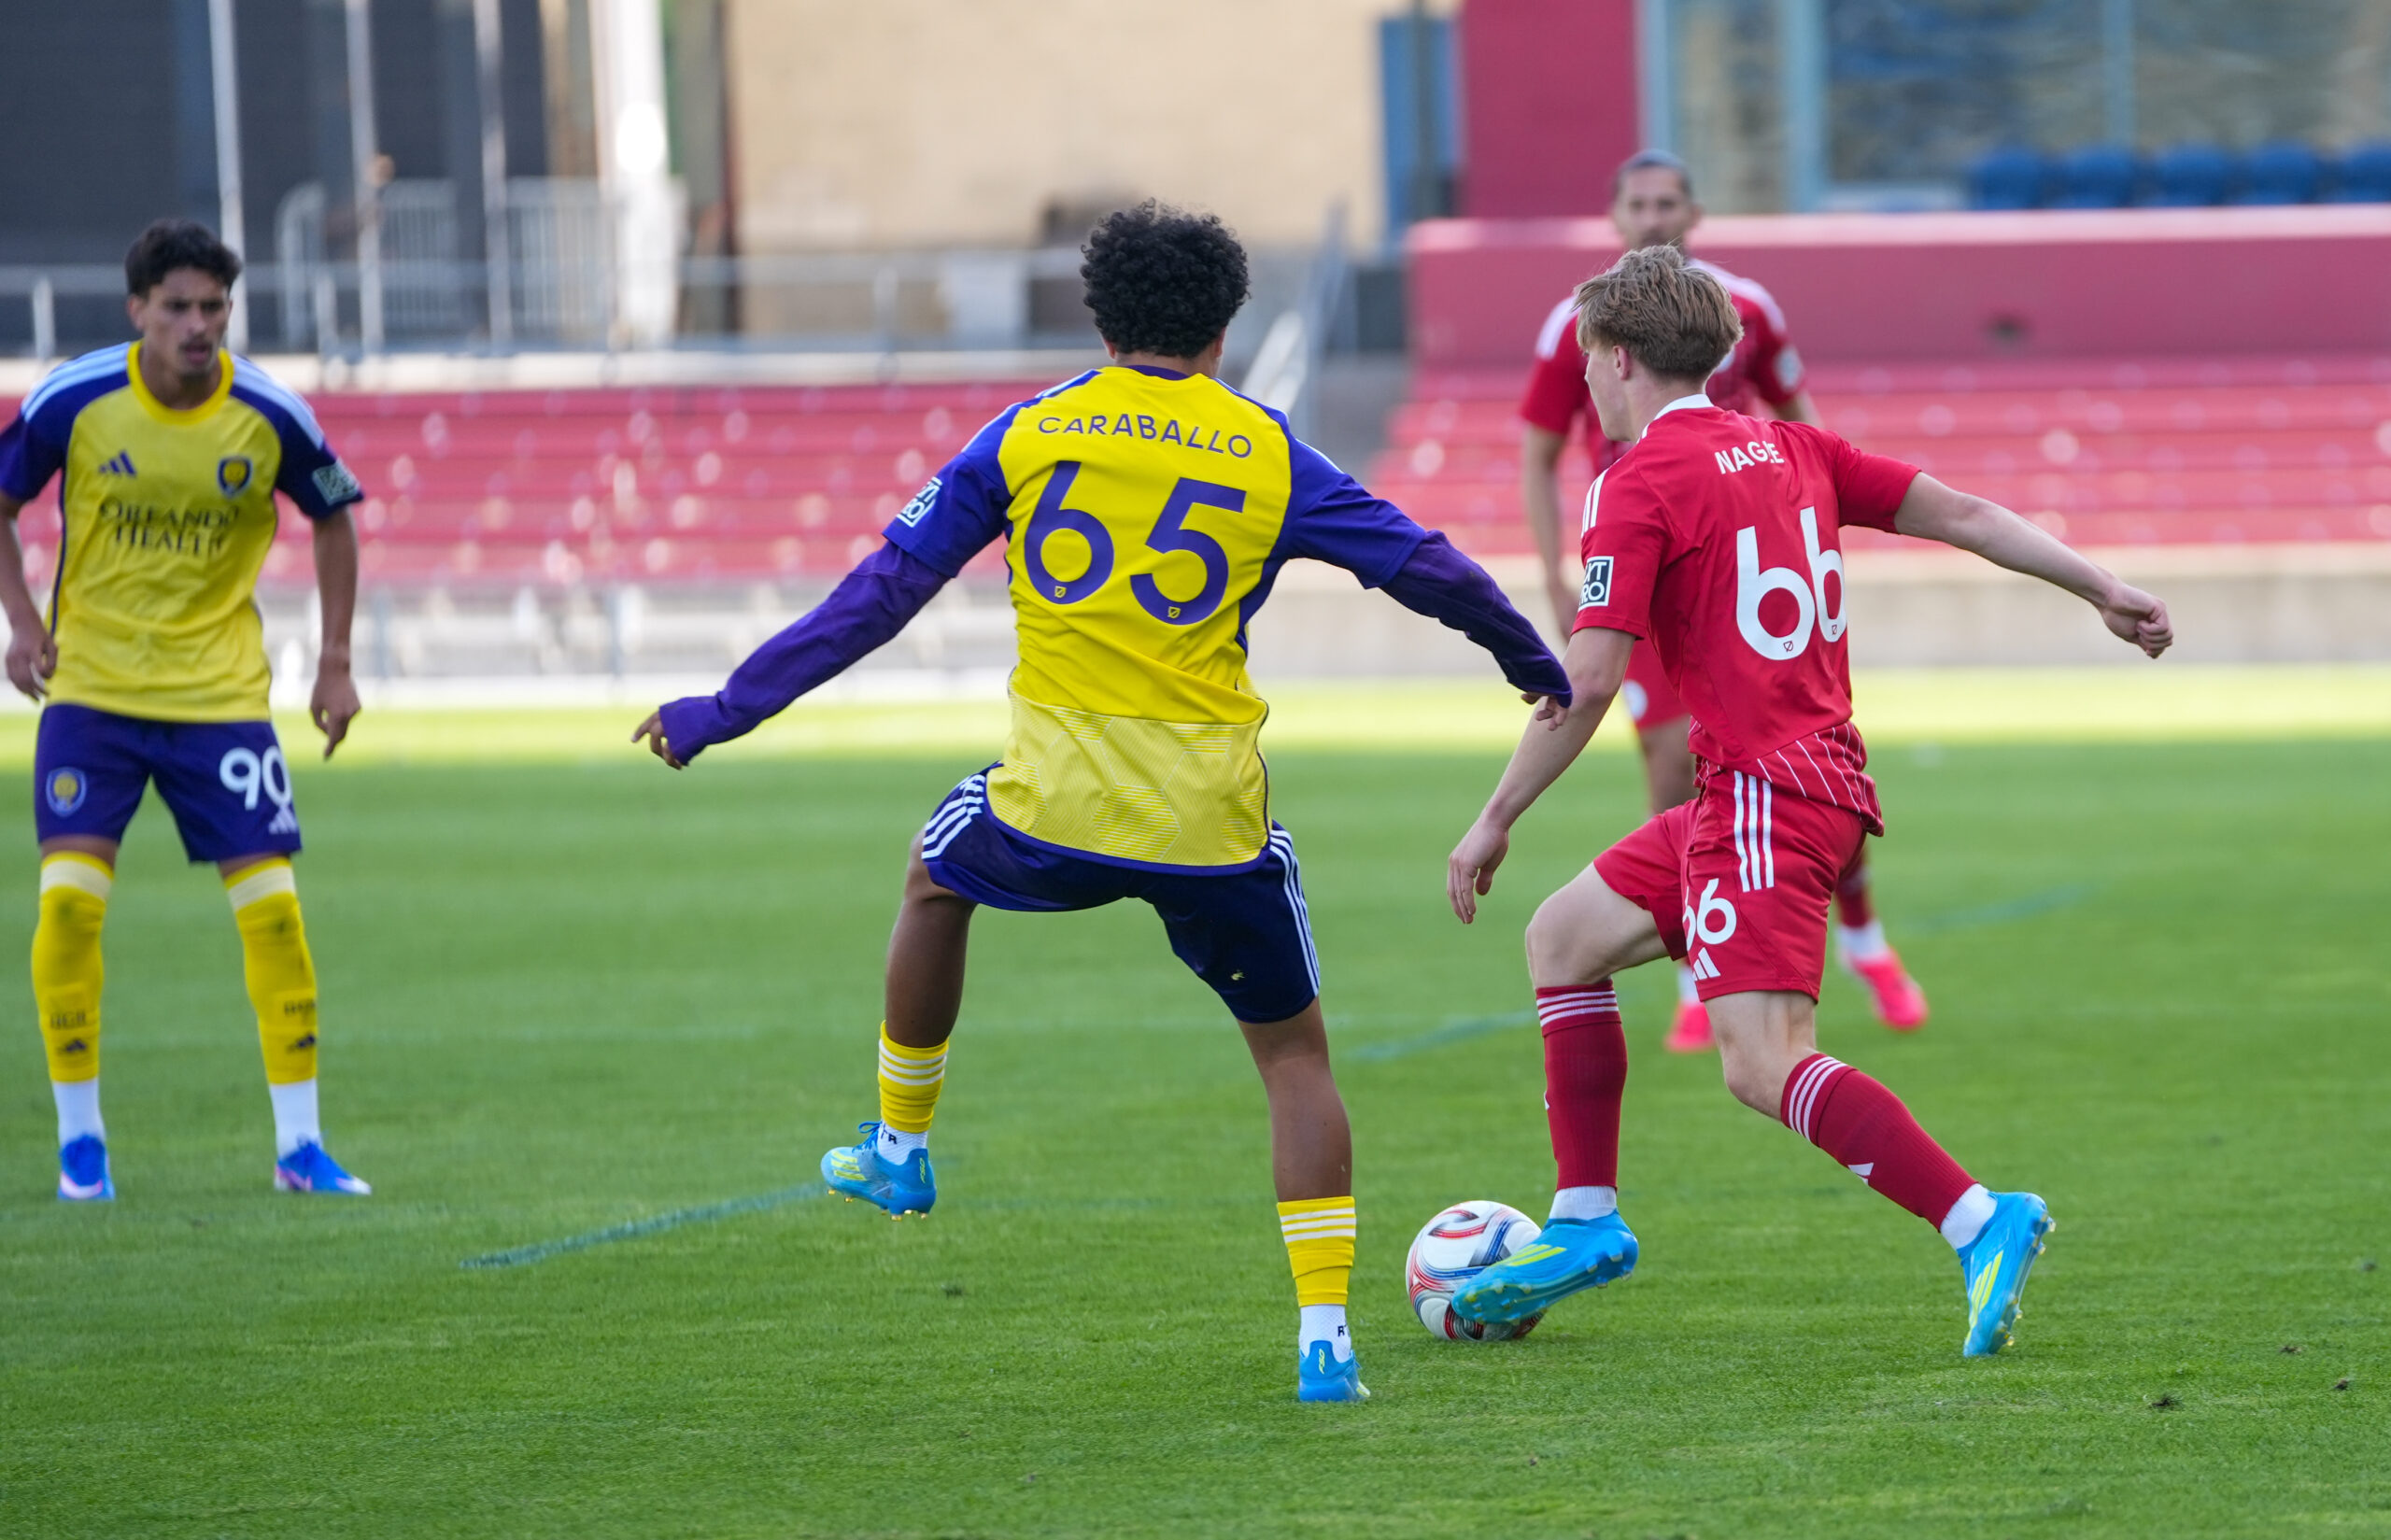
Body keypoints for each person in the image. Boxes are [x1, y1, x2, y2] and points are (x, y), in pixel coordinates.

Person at [633, 203, 1569, 1403]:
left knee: (933, 877)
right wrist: (1527, 661)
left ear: (1101, 314)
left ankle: (900, 1146)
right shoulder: (1267, 451)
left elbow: (879, 595)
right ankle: (1325, 1339)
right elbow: (1423, 562)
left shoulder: (1030, 435)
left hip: (1049, 807)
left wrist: (725, 709)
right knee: (1292, 1056)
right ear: (1223, 328)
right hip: (1210, 820)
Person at [1445, 247, 2172, 1355]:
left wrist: (1495, 814)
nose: (1587, 378)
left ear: (1620, 356)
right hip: (1793, 783)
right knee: (1564, 936)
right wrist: (2104, 587)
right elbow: (1966, 512)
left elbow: (1587, 680)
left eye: (1591, 356)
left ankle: (1981, 1217)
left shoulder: (1634, 481)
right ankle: (1584, 1220)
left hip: (1760, 794)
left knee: (1761, 1059)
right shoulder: (1796, 447)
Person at [1518, 149, 1925, 1052]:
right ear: (1615, 215)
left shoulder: (1742, 309)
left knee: (1802, 758)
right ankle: (1704, 963)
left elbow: (1801, 411)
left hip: (1735, 559)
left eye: (1669, 202)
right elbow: (1539, 450)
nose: (1654, 217)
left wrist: (1814, 514)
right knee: (1673, 766)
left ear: (1694, 213)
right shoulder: (1575, 325)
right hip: (1640, 567)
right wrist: (1555, 579)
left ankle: (1861, 936)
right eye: (1639, 203)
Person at [0, 219, 371, 1201]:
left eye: (215, 308)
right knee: (71, 904)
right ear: (138, 312)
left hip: (219, 702)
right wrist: (22, 622)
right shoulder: (76, 400)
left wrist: (334, 662)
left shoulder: (269, 412)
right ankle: (82, 1143)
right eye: (179, 308)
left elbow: (335, 516)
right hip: (93, 695)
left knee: (277, 917)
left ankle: (300, 1146)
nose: (199, 326)